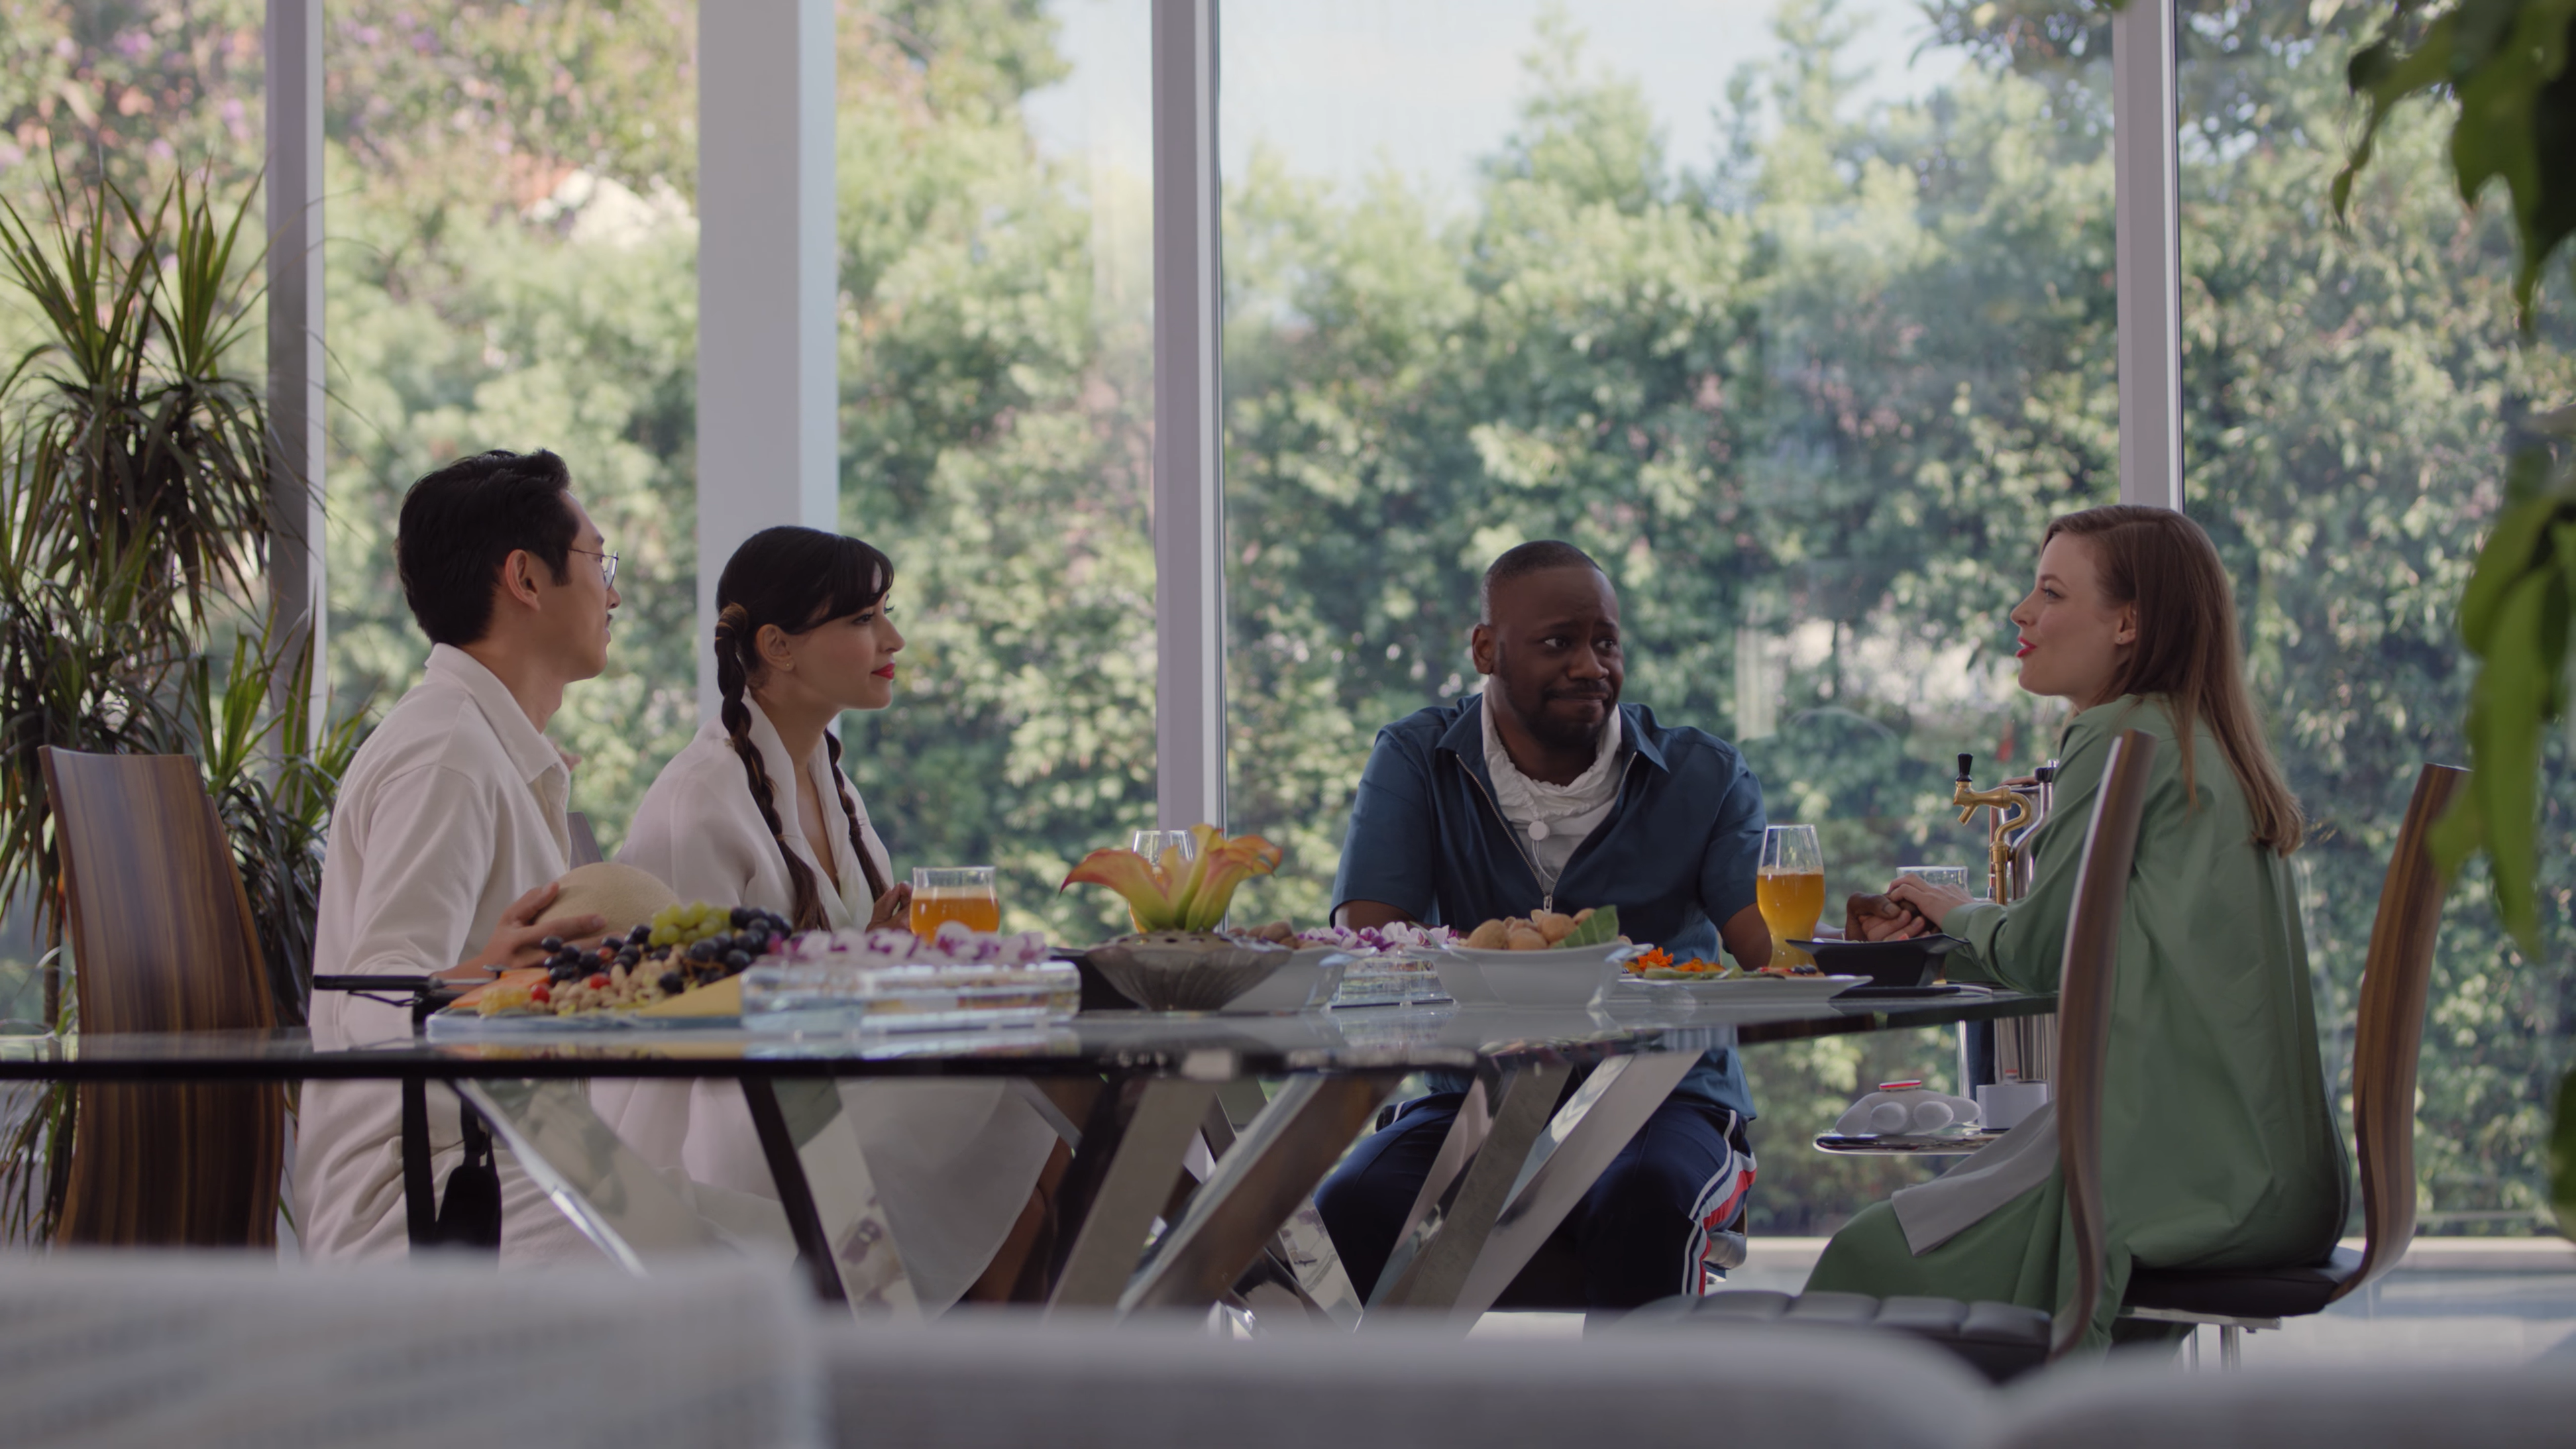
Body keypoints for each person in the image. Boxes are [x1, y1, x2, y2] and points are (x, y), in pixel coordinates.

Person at [1805, 504, 2347, 1350]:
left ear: (2128, 622)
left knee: (1866, 1256)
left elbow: (2041, 954)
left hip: (2185, 1183)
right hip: (2283, 1183)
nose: (2022, 612)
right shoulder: (2207, 742)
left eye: (2051, 592)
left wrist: (1952, 915)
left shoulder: (2118, 731)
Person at [608, 525, 1061, 1310]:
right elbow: (700, 1024)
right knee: (1032, 1173)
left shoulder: (828, 780)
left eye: (885, 612)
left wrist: (871, 956)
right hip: (751, 1124)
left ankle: (1050, 1398)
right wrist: (858, 966)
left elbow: (847, 962)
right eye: (862, 620)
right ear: (778, 648)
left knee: (1064, 1133)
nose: (893, 638)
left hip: (835, 1088)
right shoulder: (700, 805)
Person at [1317, 540, 1773, 1309]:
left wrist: (1850, 937)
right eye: (1559, 642)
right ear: (1486, 650)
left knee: (1646, 1210)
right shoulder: (1417, 758)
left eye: (1606, 641)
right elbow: (1372, 948)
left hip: (1667, 1097)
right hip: (1472, 1105)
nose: (1592, 666)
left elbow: (1774, 952)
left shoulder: (1706, 775)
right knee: (1346, 1216)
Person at [298, 448, 620, 1263]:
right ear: (526, 578)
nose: (614, 590)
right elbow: (368, 1004)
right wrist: (475, 979)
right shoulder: (447, 750)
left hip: (510, 1154)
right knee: (753, 1266)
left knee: (770, 1237)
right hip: (429, 1193)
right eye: (598, 560)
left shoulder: (487, 743)